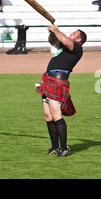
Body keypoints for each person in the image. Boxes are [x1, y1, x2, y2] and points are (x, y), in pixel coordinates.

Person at [36, 24, 87, 157]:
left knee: (56, 114)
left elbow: (64, 39)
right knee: (48, 116)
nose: (71, 34)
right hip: (48, 80)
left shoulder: (77, 48)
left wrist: (56, 30)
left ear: (79, 39)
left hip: (58, 81)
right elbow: (53, 40)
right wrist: (52, 32)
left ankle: (64, 148)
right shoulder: (64, 47)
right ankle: (55, 147)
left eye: (74, 34)